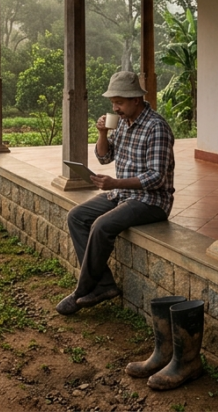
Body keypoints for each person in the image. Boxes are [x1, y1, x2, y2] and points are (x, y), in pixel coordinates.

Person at [56, 71, 175, 316]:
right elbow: (104, 157)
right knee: (77, 216)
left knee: (101, 225)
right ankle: (103, 285)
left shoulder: (156, 127)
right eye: (113, 103)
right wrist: (102, 134)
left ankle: (82, 291)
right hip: (121, 194)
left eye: (119, 102)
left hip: (151, 201)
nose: (115, 108)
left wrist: (115, 183)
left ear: (136, 100)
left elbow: (156, 178)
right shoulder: (122, 122)